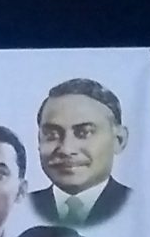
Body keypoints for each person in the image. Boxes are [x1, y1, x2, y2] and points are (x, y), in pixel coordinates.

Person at [25, 78, 131, 228]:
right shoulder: (17, 208)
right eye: (52, 135)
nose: (66, 149)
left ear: (119, 140)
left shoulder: (138, 204)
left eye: (84, 133)